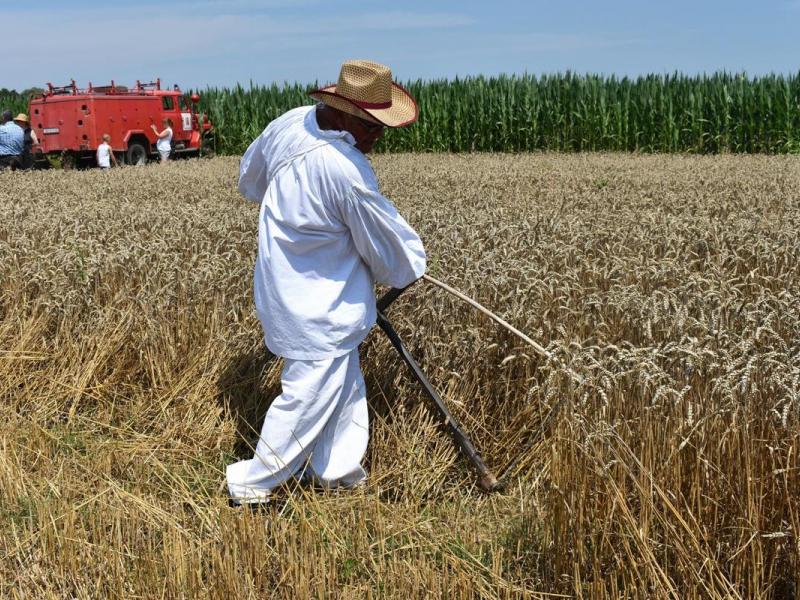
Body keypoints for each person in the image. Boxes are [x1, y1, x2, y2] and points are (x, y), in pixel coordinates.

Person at [227, 60, 426, 505]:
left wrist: (307, 226)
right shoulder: (345, 170)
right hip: (318, 305)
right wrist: (411, 263)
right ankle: (252, 486)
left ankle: (338, 473)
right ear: (339, 112)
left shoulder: (290, 123)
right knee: (307, 399)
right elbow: (391, 255)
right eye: (370, 126)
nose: (377, 137)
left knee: (345, 386)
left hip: (287, 284)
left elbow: (250, 180)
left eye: (380, 127)